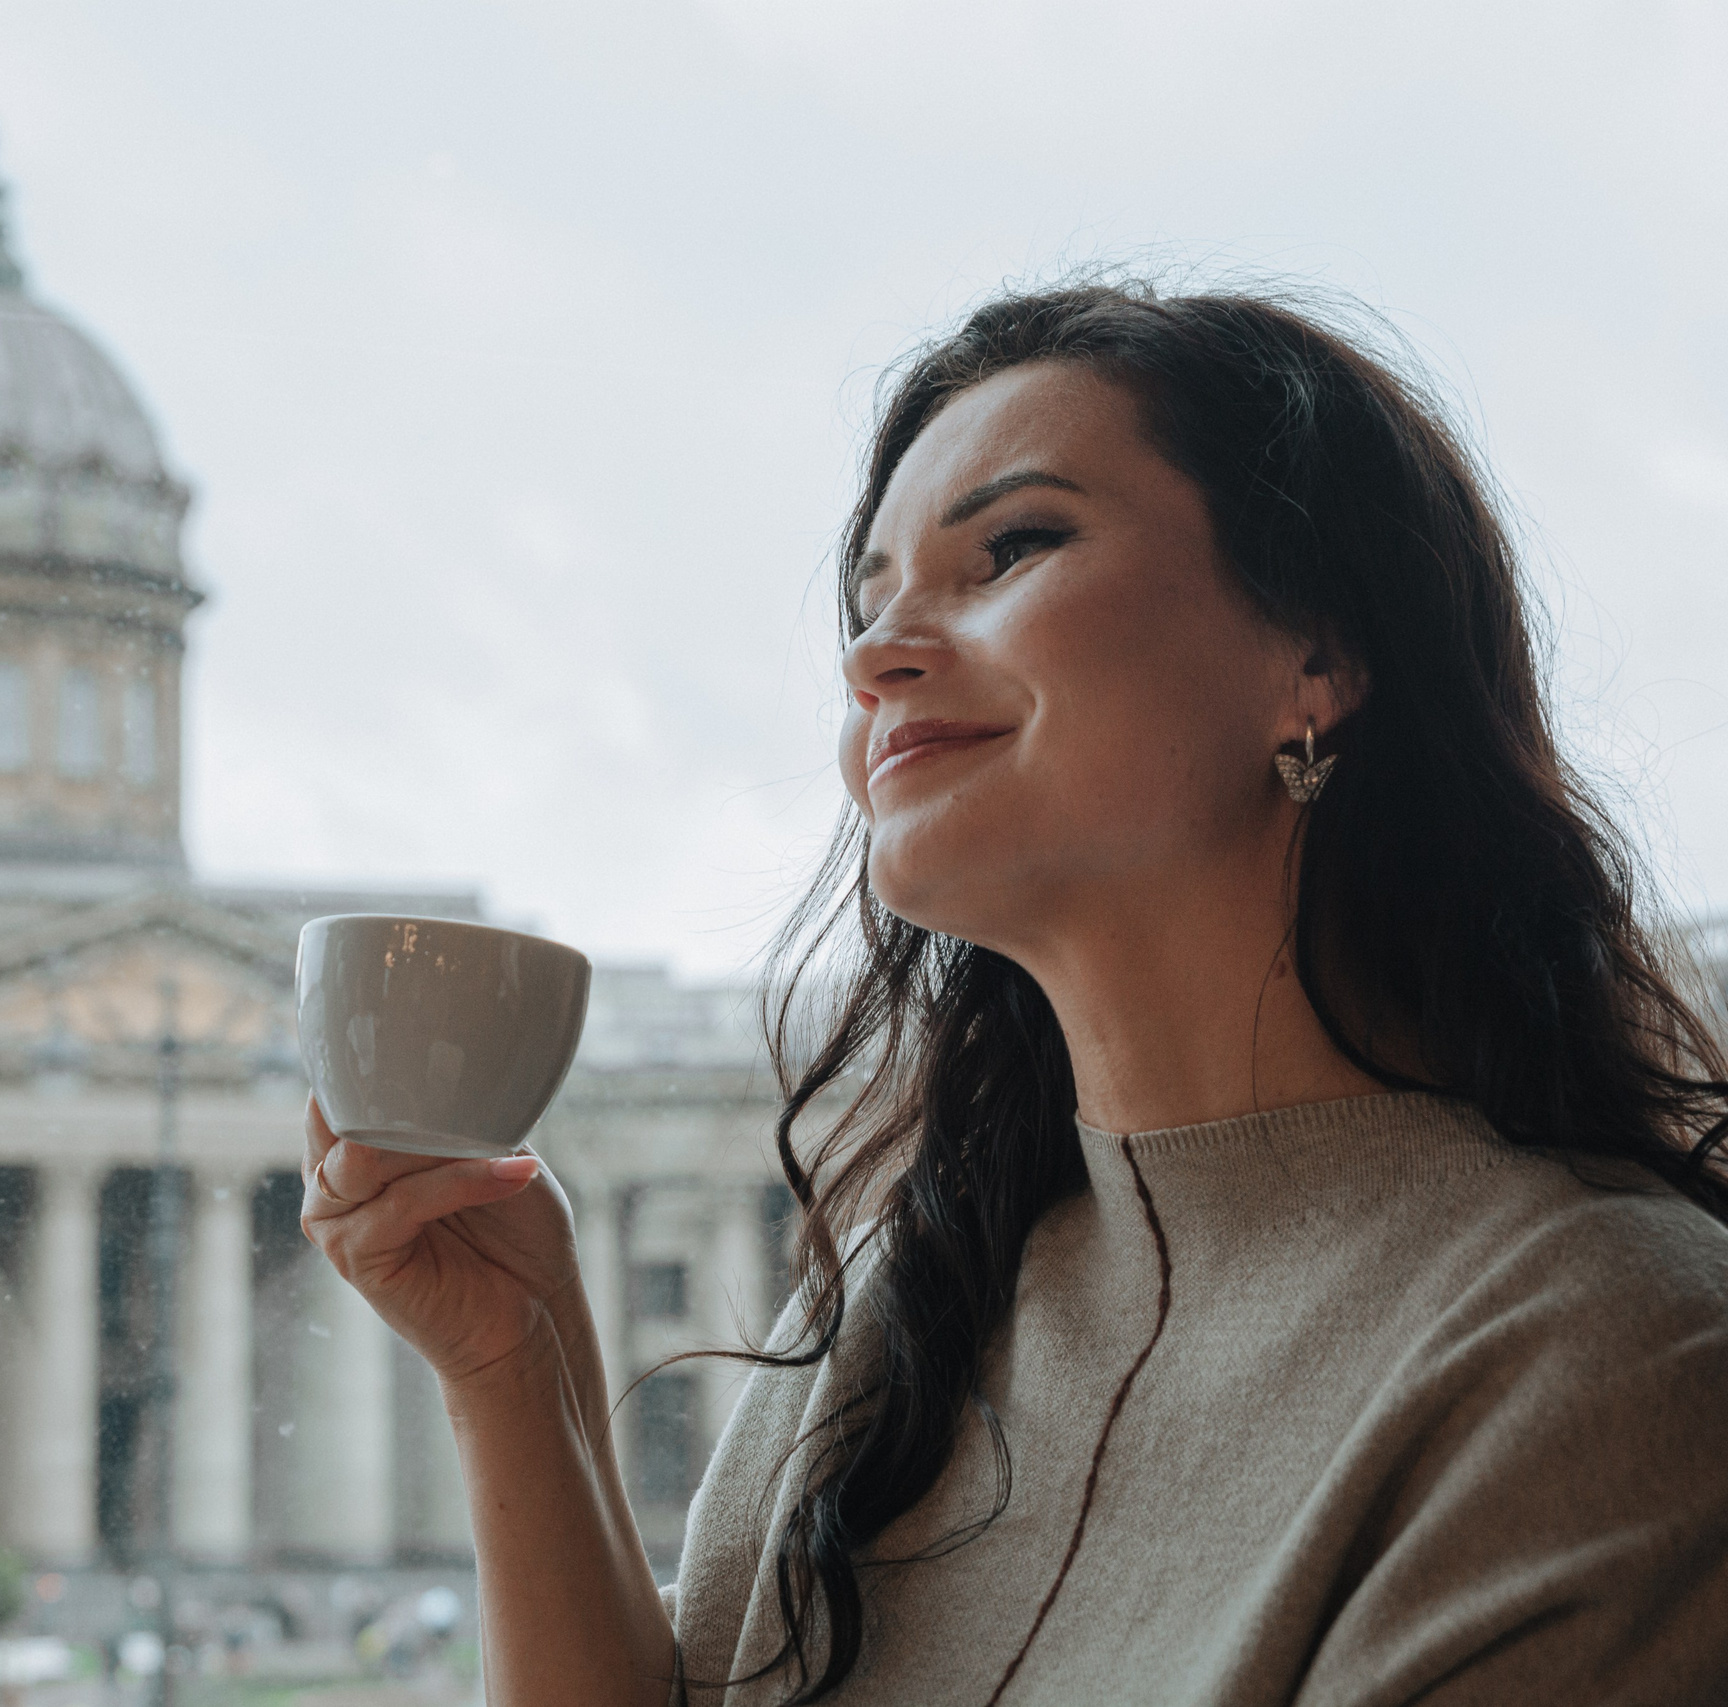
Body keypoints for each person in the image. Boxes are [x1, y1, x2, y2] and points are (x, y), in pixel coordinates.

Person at [297, 283, 1728, 1705]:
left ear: (1319, 656)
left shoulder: (1618, 1353)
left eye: (1011, 548)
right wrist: (514, 1378)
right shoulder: (891, 1325)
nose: (874, 657)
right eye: (867, 607)